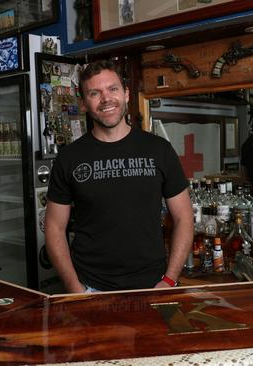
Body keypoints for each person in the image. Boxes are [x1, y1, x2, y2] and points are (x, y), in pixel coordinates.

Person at [45, 60, 193, 293]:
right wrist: (75, 288)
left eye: (112, 89)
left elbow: (184, 217)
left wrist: (170, 279)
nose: (106, 99)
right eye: (95, 93)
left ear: (125, 94)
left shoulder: (159, 150)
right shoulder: (69, 158)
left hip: (153, 284)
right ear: (83, 103)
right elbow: (54, 227)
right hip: (90, 287)